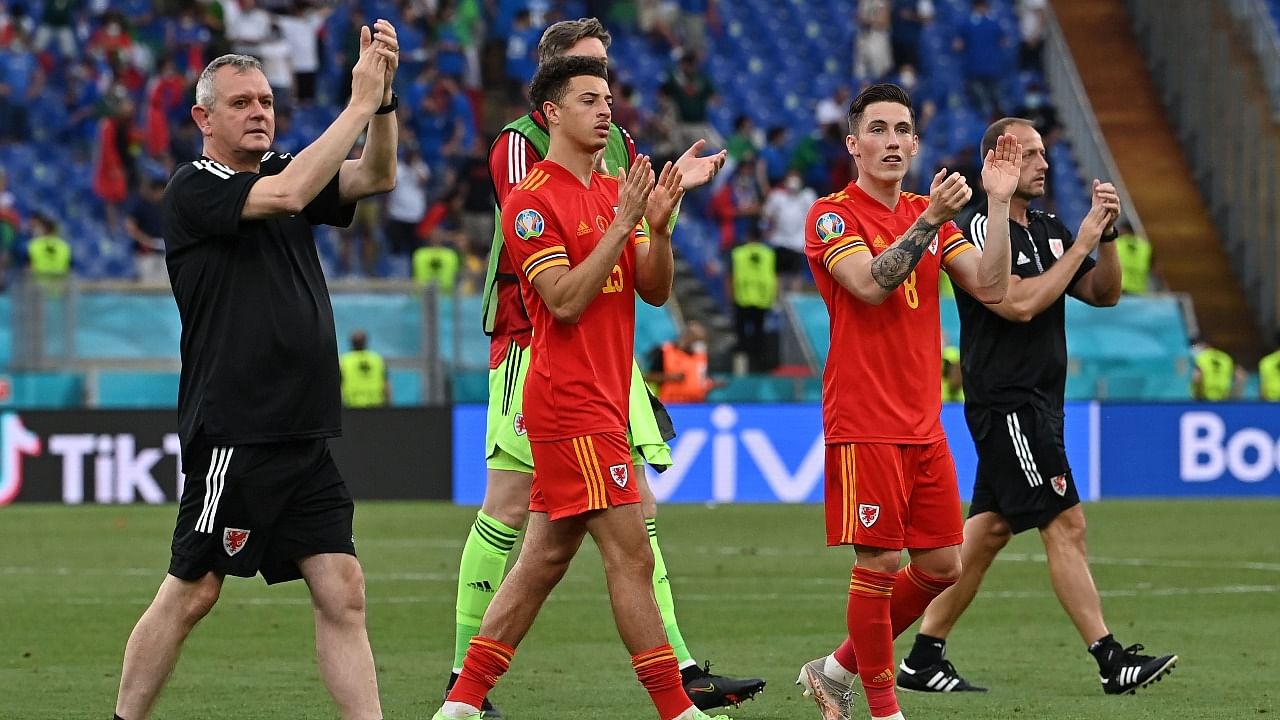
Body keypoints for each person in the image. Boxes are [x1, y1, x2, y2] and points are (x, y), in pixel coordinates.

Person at [453, 17, 762, 716]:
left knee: (545, 558)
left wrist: (658, 214)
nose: (606, 108)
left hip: (603, 378)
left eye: (609, 93)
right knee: (610, 545)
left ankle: (462, 700)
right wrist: (627, 223)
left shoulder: (613, 178)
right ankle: (677, 702)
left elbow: (653, 288)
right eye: (588, 91)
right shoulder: (526, 169)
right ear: (552, 99)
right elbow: (556, 293)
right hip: (544, 366)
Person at [111, 21, 400, 720]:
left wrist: (384, 103)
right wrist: (357, 105)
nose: (260, 112)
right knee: (194, 589)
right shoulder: (195, 188)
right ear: (204, 119)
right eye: (242, 103)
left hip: (302, 429)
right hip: (237, 428)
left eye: (267, 101)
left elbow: (376, 174)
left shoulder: (281, 168)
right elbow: (293, 195)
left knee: (343, 587)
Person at [898, 117, 1179, 697]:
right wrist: (1079, 243)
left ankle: (922, 657)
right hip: (1007, 401)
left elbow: (1103, 294)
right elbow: (1019, 305)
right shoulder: (979, 228)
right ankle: (1109, 659)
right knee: (1066, 523)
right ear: (996, 161)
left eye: (1044, 154)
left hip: (1041, 401)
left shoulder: (1050, 227)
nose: (1044, 164)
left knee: (990, 531)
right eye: (1029, 154)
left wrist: (1106, 235)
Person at [797, 82, 1020, 720]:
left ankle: (834, 668)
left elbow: (993, 285)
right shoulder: (831, 214)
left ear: (916, 143)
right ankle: (883, 708)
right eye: (878, 130)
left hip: (924, 421)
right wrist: (928, 222)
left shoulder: (929, 210)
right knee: (880, 561)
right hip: (863, 417)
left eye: (902, 130)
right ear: (853, 144)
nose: (892, 141)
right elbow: (869, 284)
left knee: (944, 565)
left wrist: (998, 205)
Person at [645, 321, 722, 404]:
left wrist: (710, 384)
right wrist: (669, 377)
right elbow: (648, 377)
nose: (701, 345)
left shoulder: (701, 357)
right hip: (671, 405)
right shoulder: (665, 352)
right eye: (698, 340)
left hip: (697, 405)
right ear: (688, 337)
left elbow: (701, 379)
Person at [340, 329, 391, 408]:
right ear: (366, 342)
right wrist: (388, 405)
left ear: (351, 343)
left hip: (352, 407)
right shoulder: (377, 359)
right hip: (376, 406)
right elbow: (386, 385)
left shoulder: (344, 361)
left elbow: (340, 386)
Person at [1112, 219, 1152, 295]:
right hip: (1140, 290)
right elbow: (1152, 267)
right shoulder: (1145, 246)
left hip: (1121, 289)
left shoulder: (1116, 244)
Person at [1259, 336, 1280, 401]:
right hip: (1272, 402)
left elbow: (1262, 390)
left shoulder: (1265, 361)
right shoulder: (1266, 362)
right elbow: (1263, 389)